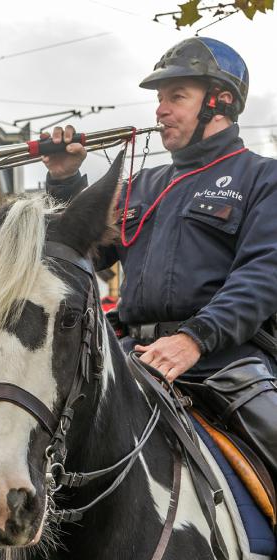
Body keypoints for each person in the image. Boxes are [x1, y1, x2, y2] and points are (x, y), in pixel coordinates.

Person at [43, 37, 277, 384]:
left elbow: (263, 276)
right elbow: (78, 253)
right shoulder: (140, 184)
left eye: (176, 96)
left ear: (220, 101)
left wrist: (194, 339)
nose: (160, 110)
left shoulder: (264, 178)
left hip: (227, 364)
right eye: (159, 99)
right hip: (131, 357)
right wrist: (64, 181)